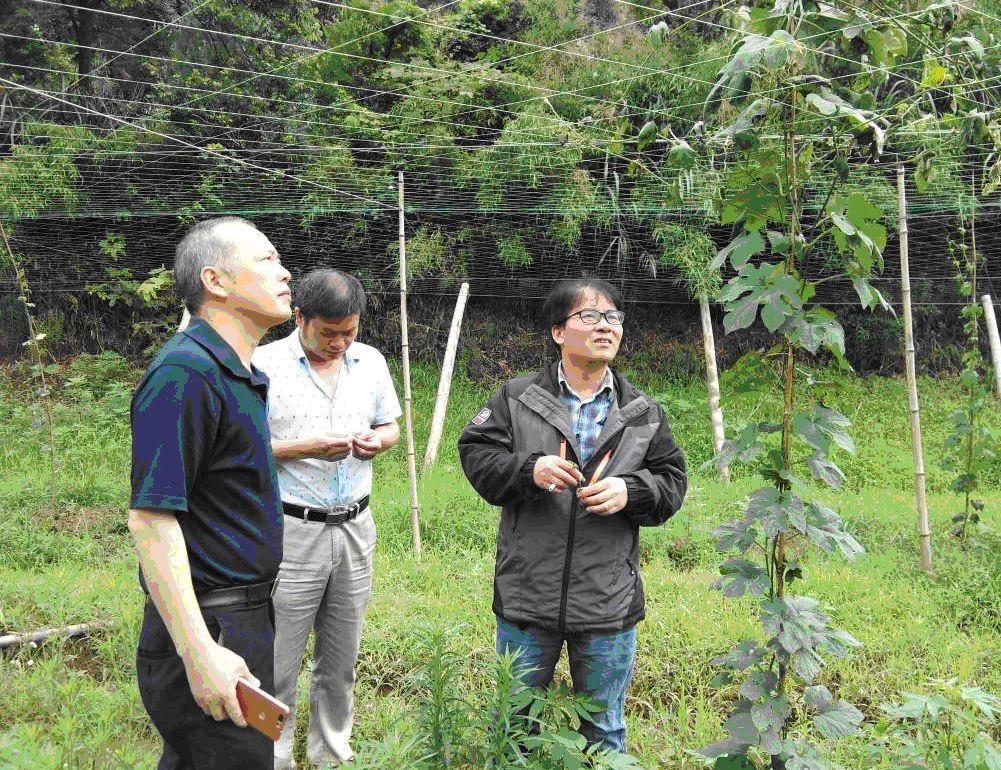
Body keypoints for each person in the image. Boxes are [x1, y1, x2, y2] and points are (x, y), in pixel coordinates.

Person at [458, 278, 688, 753]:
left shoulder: (642, 412)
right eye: (590, 316)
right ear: (558, 332)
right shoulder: (516, 398)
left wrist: (633, 491)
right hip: (528, 592)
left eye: (614, 318)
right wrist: (529, 469)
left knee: (603, 731)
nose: (605, 327)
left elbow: (672, 480)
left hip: (606, 598)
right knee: (514, 729)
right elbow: (477, 455)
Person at [128, 216, 292, 769]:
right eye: (267, 260)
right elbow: (151, 520)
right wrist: (200, 653)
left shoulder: (238, 373)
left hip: (242, 618)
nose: (285, 271)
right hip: (212, 625)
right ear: (215, 281)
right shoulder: (186, 373)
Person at [252, 268, 402, 770]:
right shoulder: (262, 365)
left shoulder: (371, 362)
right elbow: (242, 449)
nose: (340, 342)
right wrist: (304, 449)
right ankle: (271, 755)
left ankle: (331, 754)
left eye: (349, 331)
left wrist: (379, 441)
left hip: (356, 526)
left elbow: (390, 425)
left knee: (340, 658)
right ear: (300, 318)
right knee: (278, 659)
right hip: (292, 530)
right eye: (328, 331)